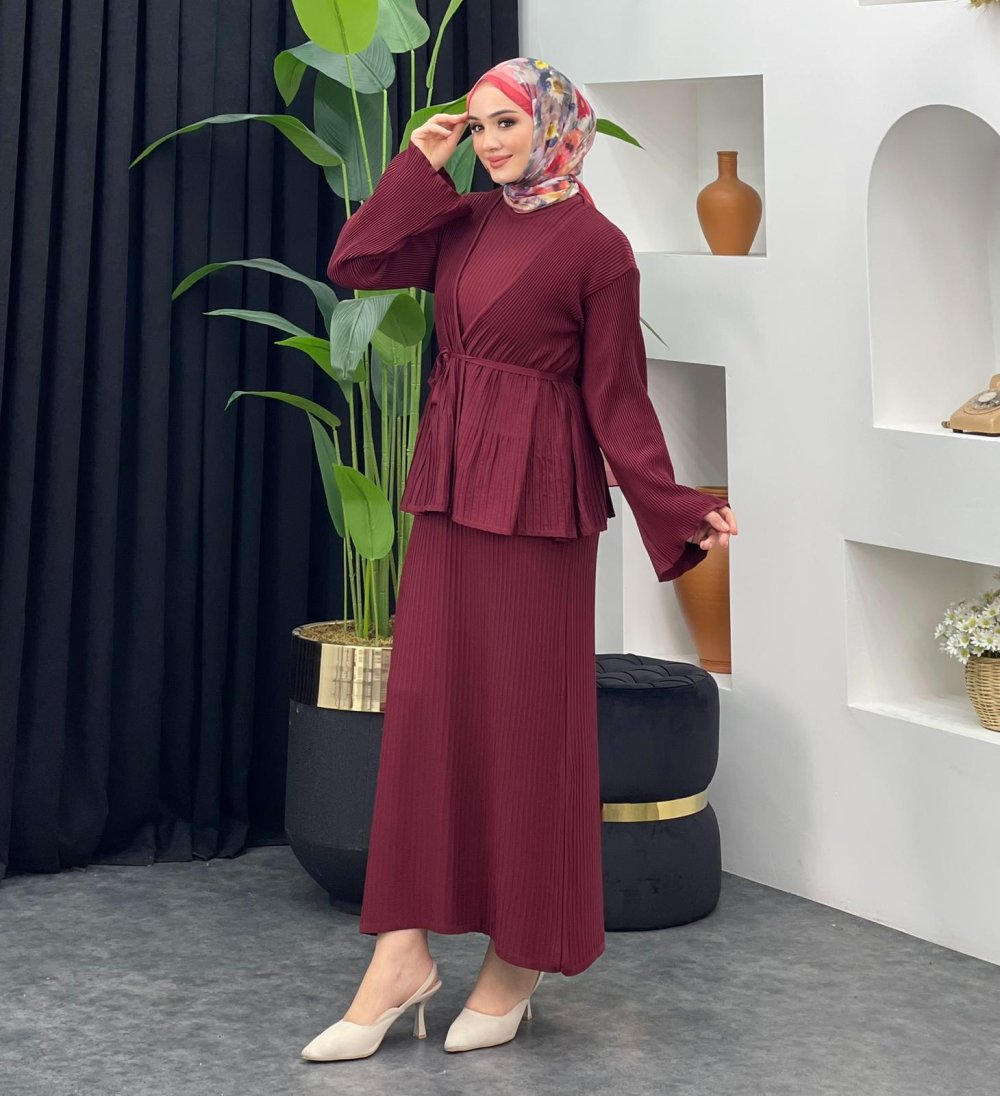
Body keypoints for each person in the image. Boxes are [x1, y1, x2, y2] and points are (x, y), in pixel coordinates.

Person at [300, 57, 738, 1063]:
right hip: (452, 487)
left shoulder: (599, 249)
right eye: (481, 125)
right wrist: (420, 164)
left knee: (529, 728)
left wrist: (675, 506)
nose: (492, 142)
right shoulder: (462, 220)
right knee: (428, 717)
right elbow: (357, 263)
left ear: (555, 126)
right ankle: (400, 954)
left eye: (508, 124)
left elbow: (616, 398)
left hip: (540, 507)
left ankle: (520, 956)